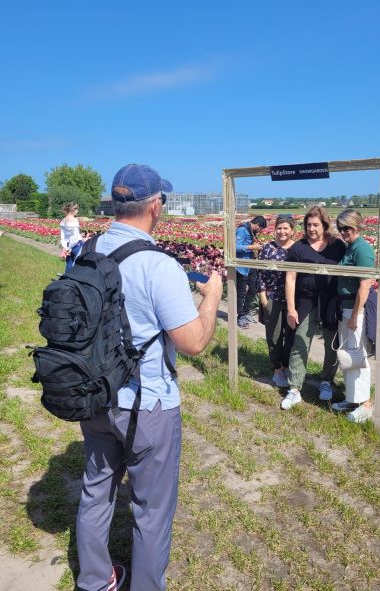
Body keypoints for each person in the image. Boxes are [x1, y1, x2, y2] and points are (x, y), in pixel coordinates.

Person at [75, 164, 223, 591]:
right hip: (147, 403)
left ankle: (95, 580)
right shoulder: (159, 265)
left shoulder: (87, 251)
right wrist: (210, 299)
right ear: (156, 205)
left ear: (117, 203)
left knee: (95, 492)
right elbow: (193, 341)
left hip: (96, 396)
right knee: (151, 510)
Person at [281, 206, 346, 410]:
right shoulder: (298, 248)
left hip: (330, 301)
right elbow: (290, 278)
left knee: (331, 344)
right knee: (300, 341)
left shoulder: (337, 246)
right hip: (305, 300)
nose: (311, 229)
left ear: (325, 225)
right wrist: (291, 308)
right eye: (308, 225)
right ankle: (294, 388)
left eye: (316, 225)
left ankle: (326, 380)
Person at [331, 209, 375, 423]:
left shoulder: (363, 249)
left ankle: (365, 405)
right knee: (349, 356)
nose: (343, 232)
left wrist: (355, 316)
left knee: (358, 356)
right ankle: (352, 399)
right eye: (340, 228)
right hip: (345, 307)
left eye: (347, 227)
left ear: (357, 226)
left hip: (355, 309)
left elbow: (364, 287)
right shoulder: (351, 247)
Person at [256, 215, 297, 387]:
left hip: (292, 300)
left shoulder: (297, 249)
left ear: (292, 230)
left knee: (291, 335)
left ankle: (287, 366)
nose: (282, 231)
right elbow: (261, 274)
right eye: (279, 228)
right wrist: (263, 298)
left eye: (286, 228)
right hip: (272, 297)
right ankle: (277, 369)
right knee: (274, 335)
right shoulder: (267, 248)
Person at [235, 215, 267, 328]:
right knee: (241, 292)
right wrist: (252, 247)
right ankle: (240, 316)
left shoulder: (251, 231)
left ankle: (246, 312)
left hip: (251, 264)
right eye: (261, 229)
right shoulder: (242, 230)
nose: (261, 231)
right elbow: (235, 247)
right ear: (257, 225)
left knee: (253, 289)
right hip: (242, 266)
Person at [59, 202, 83, 271]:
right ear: (72, 210)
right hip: (77, 246)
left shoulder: (63, 220)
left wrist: (66, 248)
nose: (77, 211)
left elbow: (63, 236)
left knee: (69, 264)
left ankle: (66, 279)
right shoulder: (74, 220)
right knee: (80, 266)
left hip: (68, 244)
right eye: (77, 209)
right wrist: (70, 248)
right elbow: (75, 238)